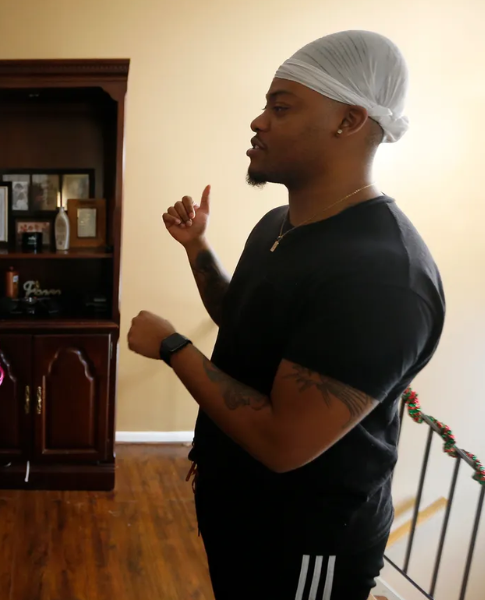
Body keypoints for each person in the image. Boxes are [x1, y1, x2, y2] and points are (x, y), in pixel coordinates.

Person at [127, 31, 445, 600]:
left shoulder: (383, 276)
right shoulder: (279, 224)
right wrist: (197, 247)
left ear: (349, 120)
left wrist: (173, 347)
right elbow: (241, 319)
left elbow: (282, 441)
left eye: (281, 107)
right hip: (239, 509)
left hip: (304, 541)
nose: (258, 122)